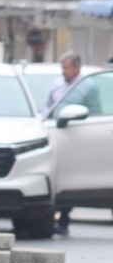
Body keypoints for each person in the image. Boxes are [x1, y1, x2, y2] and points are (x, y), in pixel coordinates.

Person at [42, 51, 101, 236]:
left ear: (77, 67)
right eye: (62, 67)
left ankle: (64, 218)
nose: (63, 71)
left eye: (66, 68)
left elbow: (95, 113)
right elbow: (48, 106)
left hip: (76, 137)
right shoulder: (57, 84)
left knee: (70, 178)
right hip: (55, 133)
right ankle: (50, 217)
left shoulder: (88, 86)